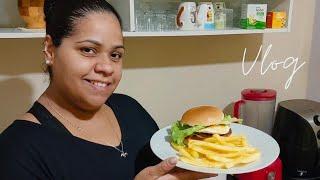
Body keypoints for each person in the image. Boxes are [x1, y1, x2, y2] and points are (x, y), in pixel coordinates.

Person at [0, 0, 216, 179]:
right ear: (50, 50)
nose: (106, 67)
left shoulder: (130, 109)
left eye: (115, 55)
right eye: (88, 50)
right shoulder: (16, 151)